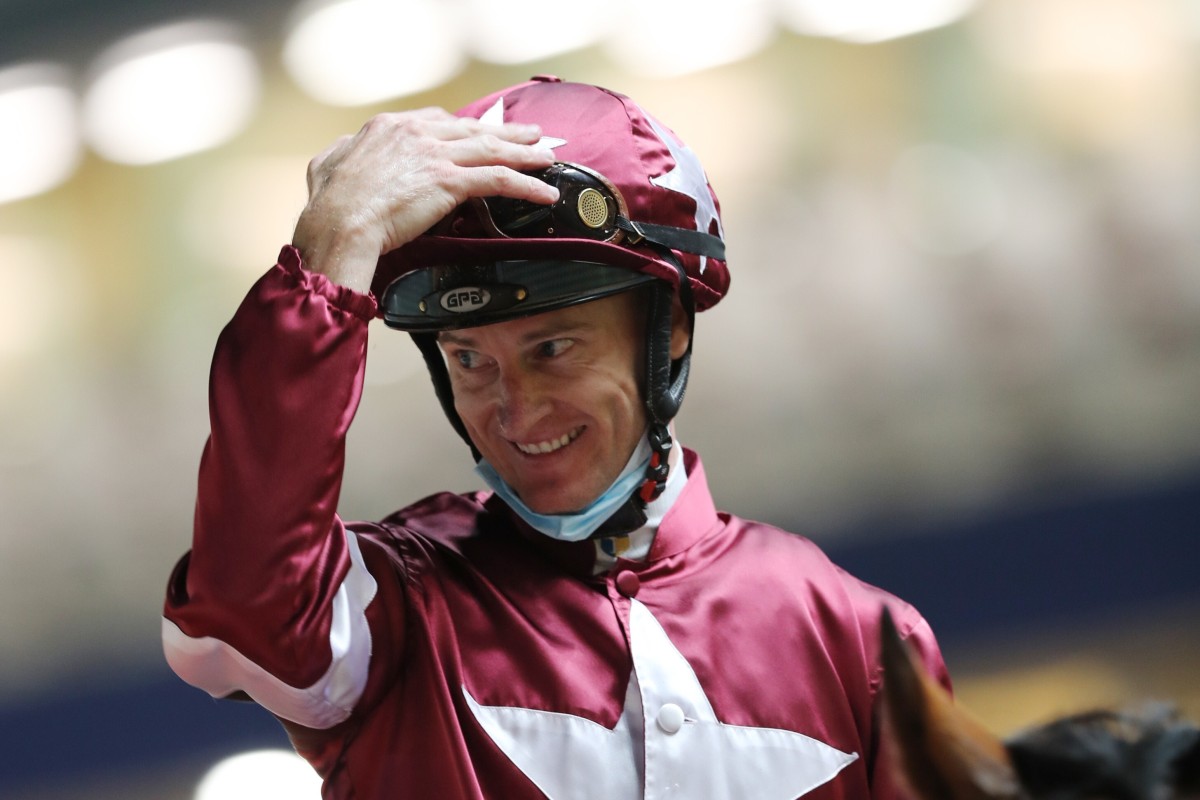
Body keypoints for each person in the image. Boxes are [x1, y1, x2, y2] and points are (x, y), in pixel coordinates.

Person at [162, 75, 951, 799]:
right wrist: (327, 262)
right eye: (470, 359)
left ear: (668, 328)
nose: (517, 410)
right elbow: (242, 602)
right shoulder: (399, 608)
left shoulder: (863, 643)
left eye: (553, 349)